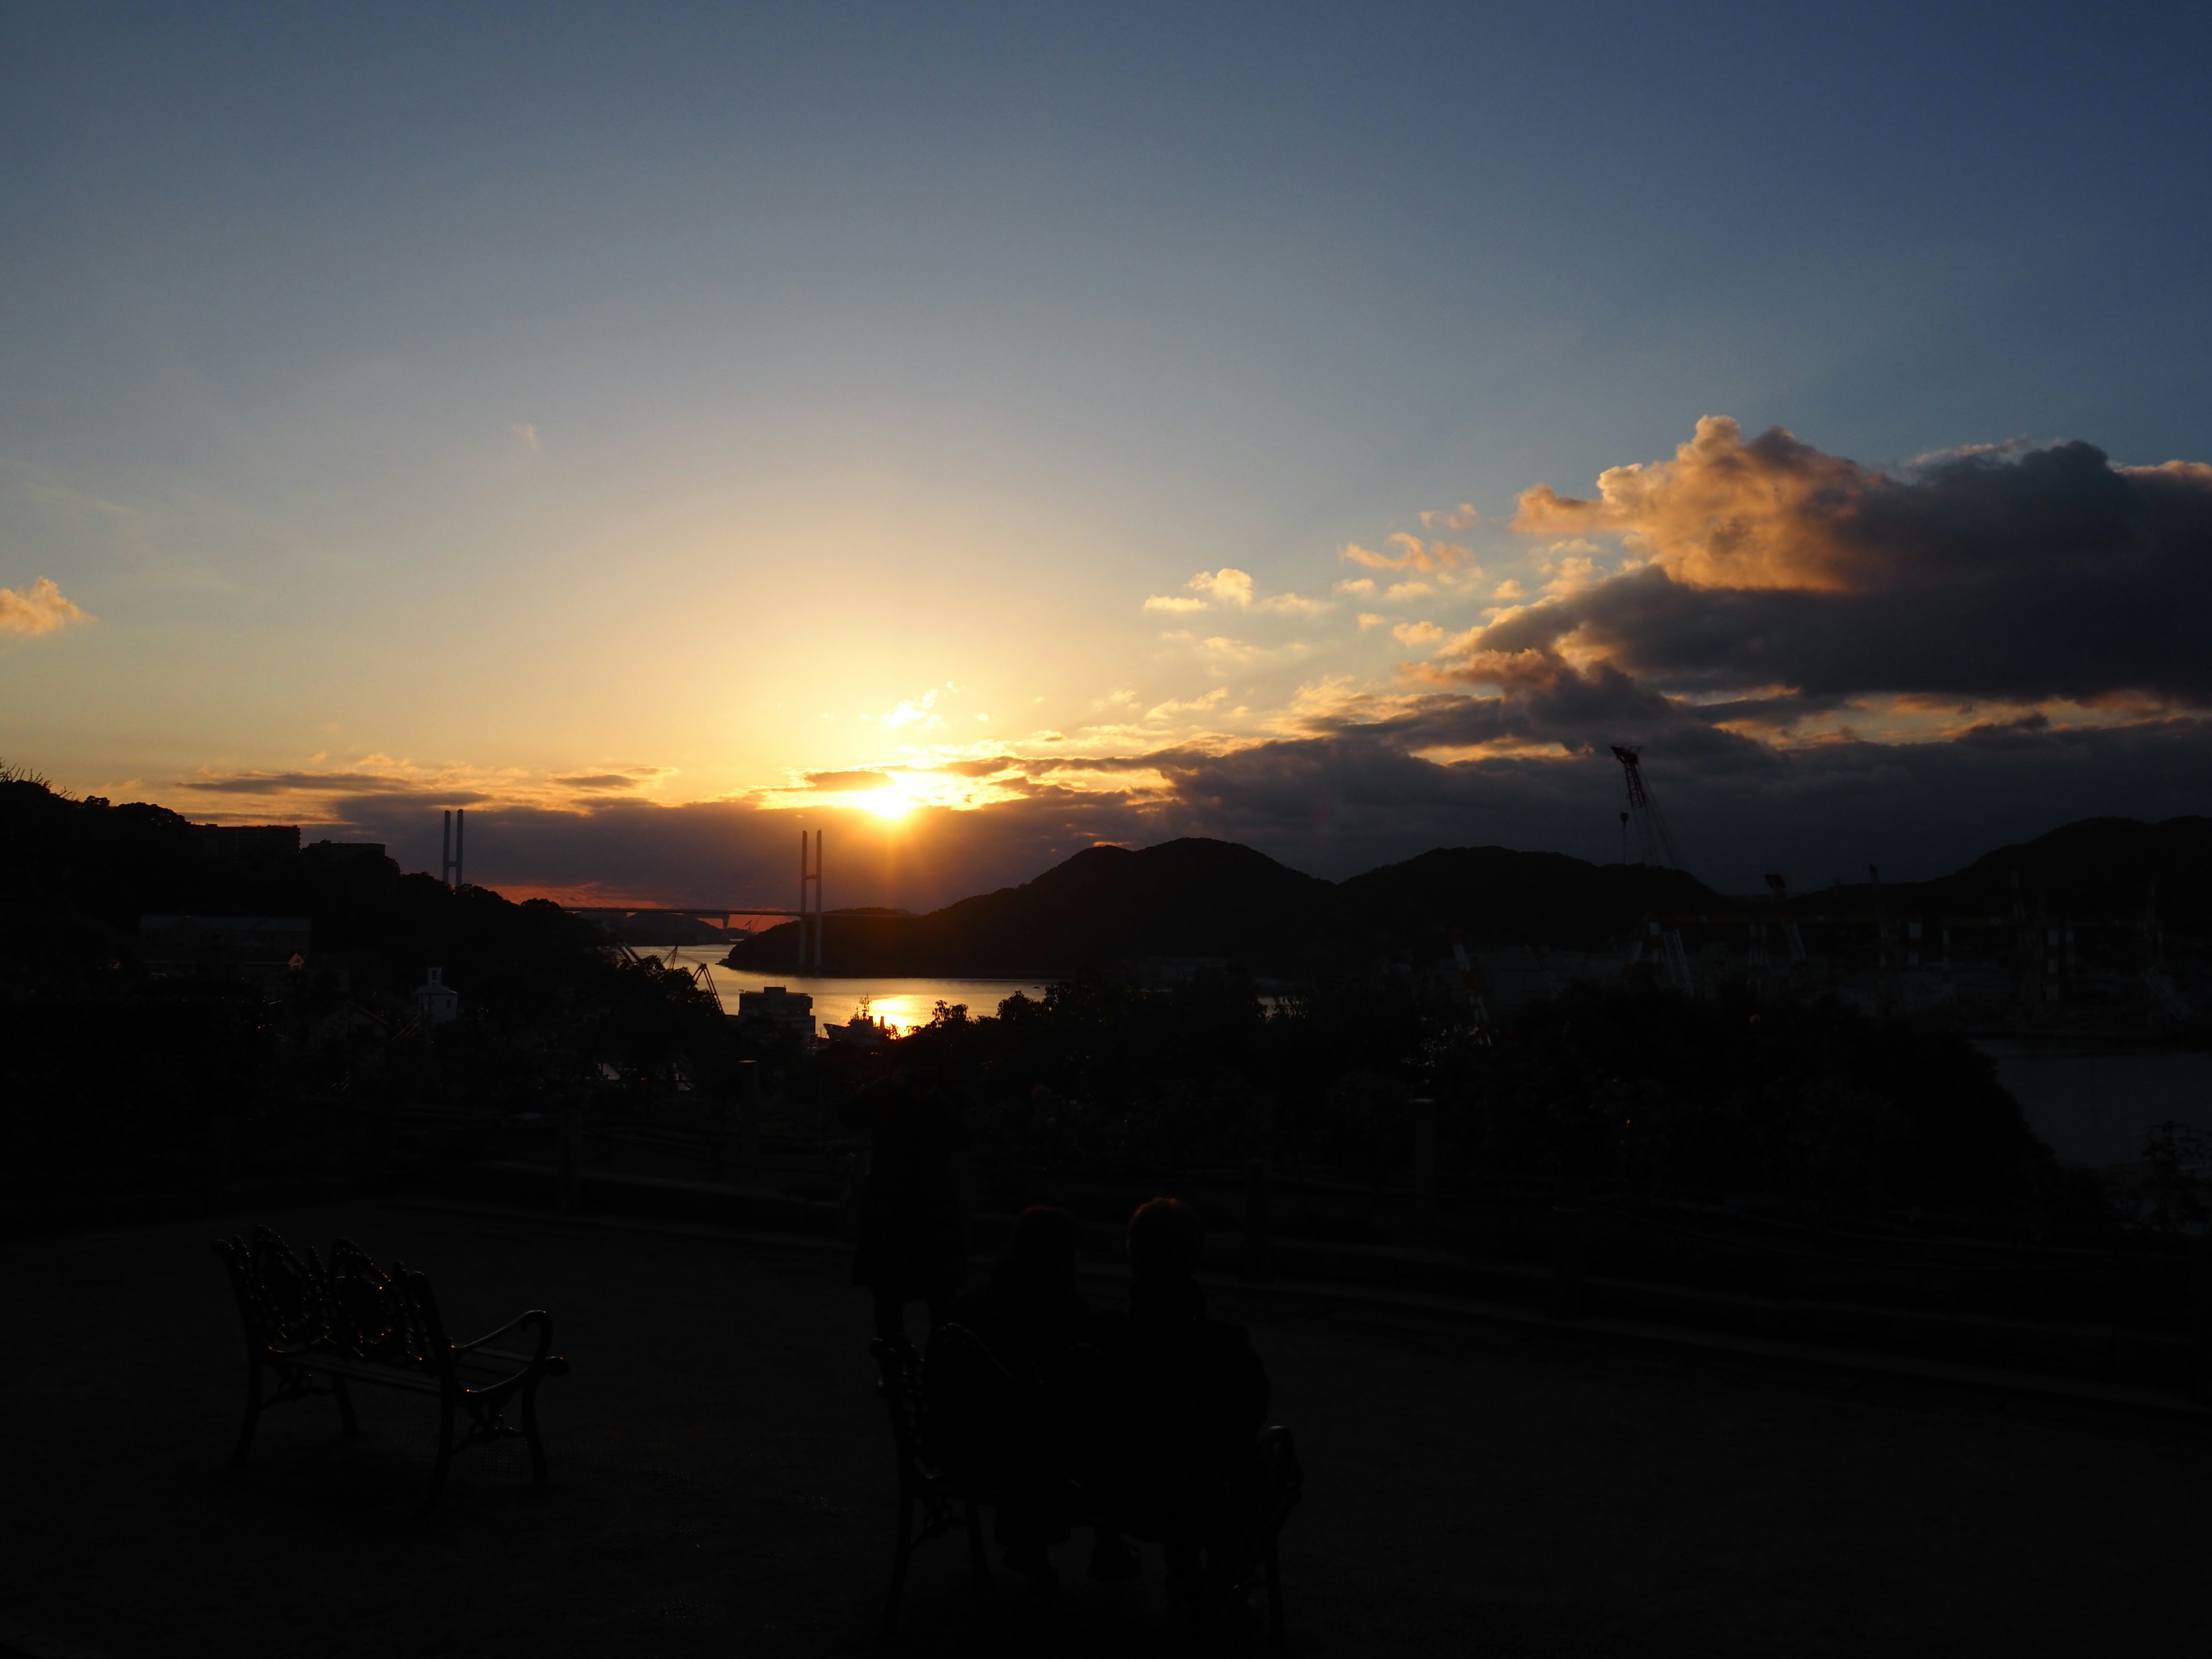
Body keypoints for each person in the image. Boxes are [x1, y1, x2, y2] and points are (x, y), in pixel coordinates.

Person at [1078, 1198, 1273, 1622]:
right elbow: (1244, 1424)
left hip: (1109, 1487)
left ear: (1133, 1256)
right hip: (1185, 1495)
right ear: (1195, 1256)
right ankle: (1223, 1585)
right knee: (1270, 1468)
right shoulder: (1221, 1347)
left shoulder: (1101, 1334)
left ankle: (1174, 1573)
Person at [838, 1063, 970, 1343]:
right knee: (928, 1297)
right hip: (928, 1212)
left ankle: (901, 1364)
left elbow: (847, 1114)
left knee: (899, 1298)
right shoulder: (933, 1103)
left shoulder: (902, 1101)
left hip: (897, 1211)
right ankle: (927, 1366)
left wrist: (889, 1084)